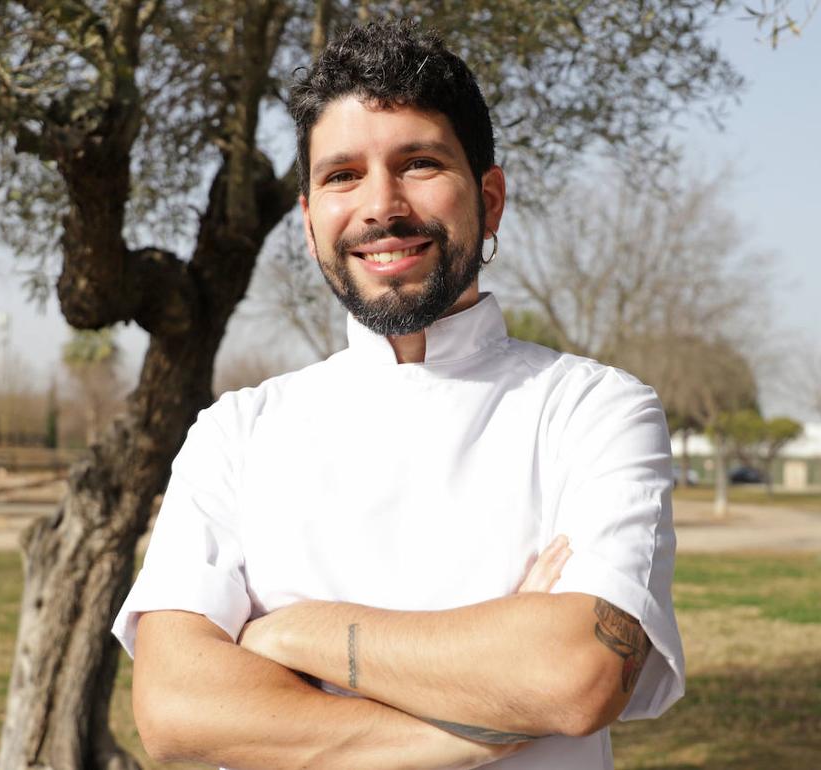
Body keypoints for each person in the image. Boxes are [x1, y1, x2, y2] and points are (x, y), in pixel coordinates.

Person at [112, 20, 684, 770]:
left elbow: (573, 676)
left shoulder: (593, 412)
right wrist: (468, 728)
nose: (382, 206)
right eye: (342, 175)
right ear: (311, 221)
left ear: (490, 198)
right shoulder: (237, 434)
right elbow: (175, 709)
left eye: (418, 163)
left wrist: (292, 633)